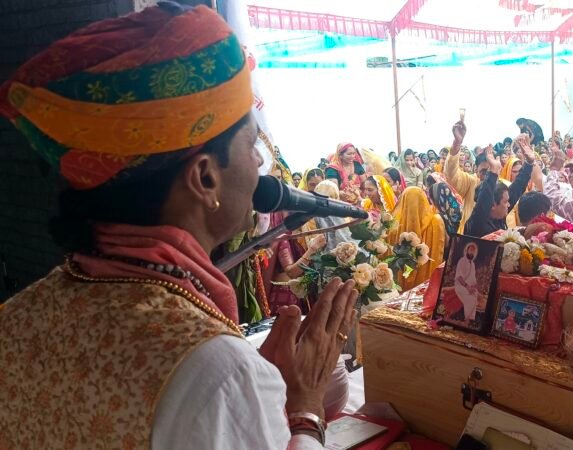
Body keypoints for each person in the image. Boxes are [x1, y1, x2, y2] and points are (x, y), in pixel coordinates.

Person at [0, 4, 355, 448]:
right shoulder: (216, 371)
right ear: (205, 178)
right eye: (251, 145)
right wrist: (305, 407)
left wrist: (252, 393)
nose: (259, 164)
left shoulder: (15, 317)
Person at [464, 136, 535, 237]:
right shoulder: (478, 224)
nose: (509, 205)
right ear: (492, 205)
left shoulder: (498, 216)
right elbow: (484, 201)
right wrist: (493, 172)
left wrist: (529, 162)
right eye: (505, 202)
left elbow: (517, 187)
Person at [388, 187, 445, 291]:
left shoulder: (394, 226)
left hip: (399, 286)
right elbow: (437, 253)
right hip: (427, 284)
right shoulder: (435, 222)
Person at [454, 243, 480, 322]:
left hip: (468, 286)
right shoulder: (462, 261)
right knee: (471, 298)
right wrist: (468, 287)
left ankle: (470, 319)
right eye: (470, 249)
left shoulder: (473, 264)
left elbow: (473, 278)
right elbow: (459, 277)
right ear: (467, 250)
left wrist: (475, 286)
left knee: (475, 293)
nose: (472, 252)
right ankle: (467, 320)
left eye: (473, 250)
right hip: (460, 286)